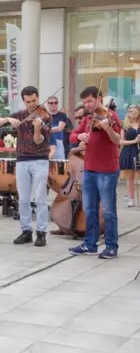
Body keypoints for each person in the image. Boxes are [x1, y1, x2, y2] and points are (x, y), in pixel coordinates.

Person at [0, 86, 52, 247]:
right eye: (28, 101)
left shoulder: (45, 116)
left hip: (40, 160)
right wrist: (7, 119)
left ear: (38, 98)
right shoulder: (20, 114)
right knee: (23, 199)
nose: (32, 104)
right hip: (22, 160)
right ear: (23, 100)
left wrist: (37, 128)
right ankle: (26, 231)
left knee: (40, 199)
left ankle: (41, 233)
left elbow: (39, 141)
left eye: (34, 101)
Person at [69, 86, 121, 259]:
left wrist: (107, 129)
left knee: (108, 211)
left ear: (99, 99)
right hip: (89, 169)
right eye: (84, 102)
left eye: (90, 101)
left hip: (107, 170)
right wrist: (79, 137)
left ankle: (111, 247)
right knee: (89, 209)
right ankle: (89, 244)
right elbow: (72, 135)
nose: (87, 105)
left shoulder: (112, 117)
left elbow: (117, 140)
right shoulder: (88, 118)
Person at [118, 105, 140, 207]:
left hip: (138, 150)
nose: (132, 114)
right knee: (129, 177)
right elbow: (121, 142)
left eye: (135, 112)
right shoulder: (124, 125)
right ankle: (131, 199)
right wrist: (134, 141)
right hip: (129, 151)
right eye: (130, 112)